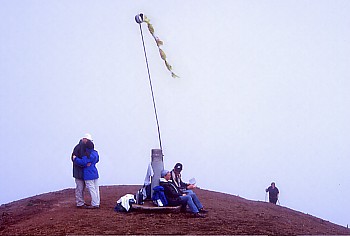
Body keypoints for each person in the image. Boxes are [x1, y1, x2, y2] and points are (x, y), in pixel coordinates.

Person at [73, 139, 100, 209]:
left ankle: (95, 204)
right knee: (96, 188)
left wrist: (75, 159)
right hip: (95, 173)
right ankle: (97, 202)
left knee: (91, 189)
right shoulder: (95, 153)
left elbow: (83, 162)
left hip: (88, 174)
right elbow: (97, 160)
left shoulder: (87, 154)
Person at [71, 133, 94, 208]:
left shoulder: (83, 148)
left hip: (82, 172)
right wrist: (84, 163)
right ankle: (80, 203)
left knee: (81, 187)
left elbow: (74, 158)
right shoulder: (78, 148)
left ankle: (81, 202)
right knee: (80, 188)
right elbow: (74, 158)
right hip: (79, 172)